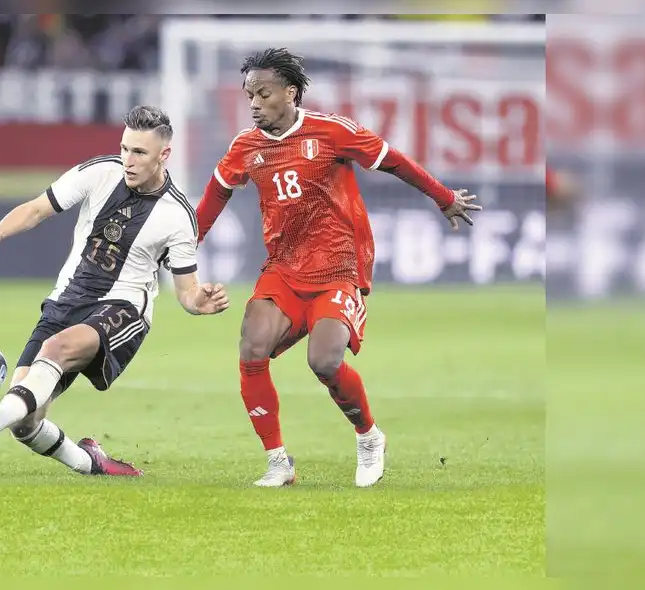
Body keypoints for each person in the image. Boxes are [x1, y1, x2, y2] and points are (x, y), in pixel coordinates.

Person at [196, 48, 482, 488]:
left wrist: (443, 197)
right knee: (252, 348)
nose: (254, 103)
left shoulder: (332, 131)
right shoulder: (245, 147)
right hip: (284, 269)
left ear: (290, 93)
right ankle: (278, 462)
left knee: (325, 361)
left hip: (339, 267)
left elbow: (394, 160)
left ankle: (369, 437)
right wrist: (184, 250)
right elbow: (214, 198)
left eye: (263, 94)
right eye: (249, 95)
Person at [0, 105, 230, 476]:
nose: (128, 160)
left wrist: (199, 301)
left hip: (123, 308)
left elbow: (187, 290)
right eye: (125, 148)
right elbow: (38, 208)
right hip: (67, 300)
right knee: (25, 421)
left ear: (164, 155)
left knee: (56, 349)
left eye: (139, 152)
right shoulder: (100, 172)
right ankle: (91, 464)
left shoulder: (178, 215)